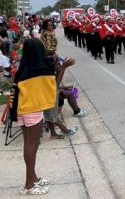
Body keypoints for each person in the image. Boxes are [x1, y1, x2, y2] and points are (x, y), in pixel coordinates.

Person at [10, 39, 75, 195]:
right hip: (32, 110)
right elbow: (54, 88)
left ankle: (32, 178)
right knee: (33, 146)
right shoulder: (41, 68)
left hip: (20, 109)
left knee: (28, 145)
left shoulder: (23, 68)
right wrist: (63, 68)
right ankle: (29, 185)